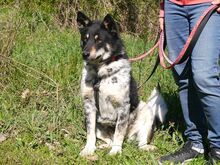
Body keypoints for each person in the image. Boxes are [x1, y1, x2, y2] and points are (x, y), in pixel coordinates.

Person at [158, 0, 220, 164]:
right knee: (183, 78)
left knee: (204, 77)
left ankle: (218, 147)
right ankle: (195, 143)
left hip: (206, 5)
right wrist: (163, 10)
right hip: (173, 6)